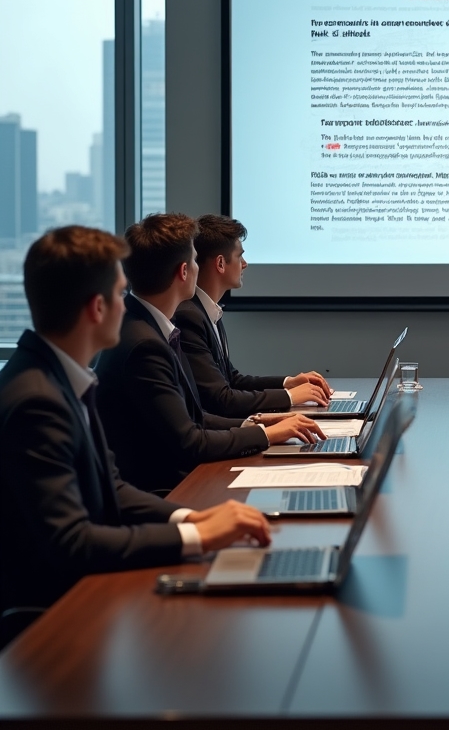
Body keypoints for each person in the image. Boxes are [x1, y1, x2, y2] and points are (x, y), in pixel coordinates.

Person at [0, 226, 272, 617]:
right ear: (97, 308)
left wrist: (194, 517)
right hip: (54, 617)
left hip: (90, 591)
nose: (125, 305)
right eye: (118, 294)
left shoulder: (60, 375)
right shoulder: (37, 401)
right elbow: (72, 542)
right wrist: (195, 535)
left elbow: (112, 488)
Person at [96, 214, 324, 493]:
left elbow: (195, 417)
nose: (197, 267)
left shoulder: (152, 326)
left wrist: (258, 422)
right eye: (193, 260)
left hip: (177, 477)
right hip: (164, 490)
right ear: (183, 272)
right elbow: (190, 441)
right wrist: (265, 434)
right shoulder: (146, 344)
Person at [174, 214, 331, 417]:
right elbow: (221, 399)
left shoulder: (207, 310)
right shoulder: (190, 316)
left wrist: (287, 383)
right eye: (240, 256)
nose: (245, 264)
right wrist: (290, 397)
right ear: (221, 264)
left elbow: (232, 379)